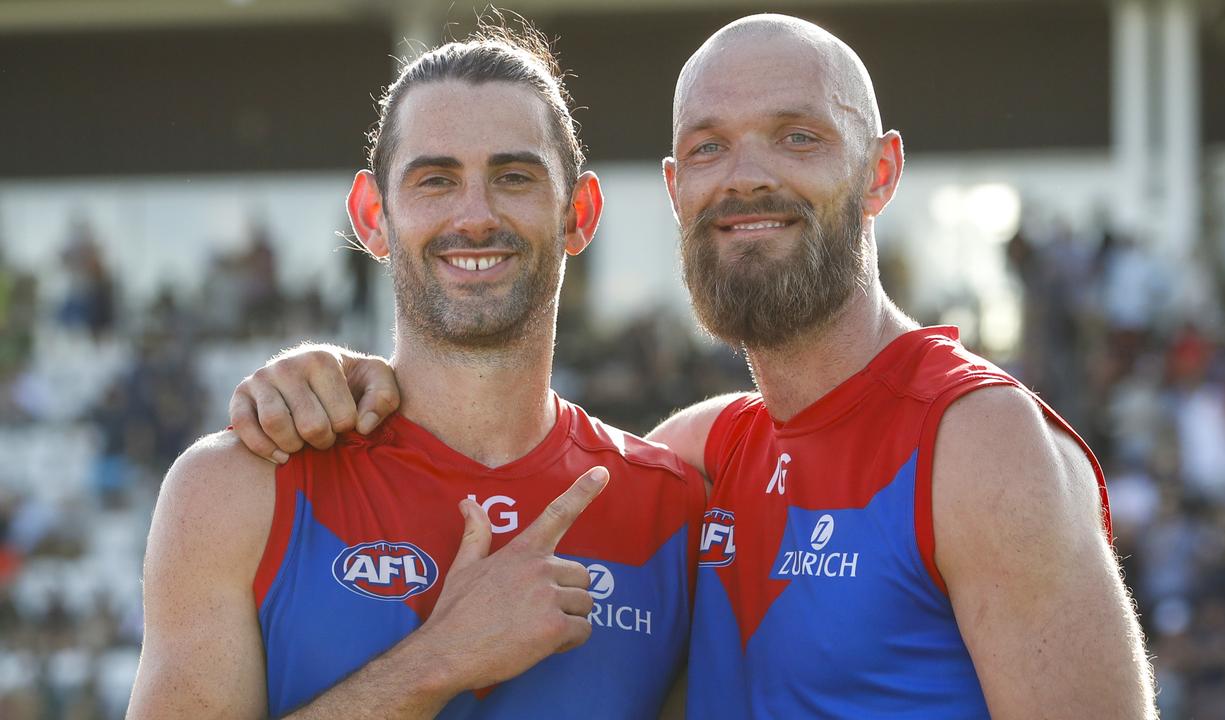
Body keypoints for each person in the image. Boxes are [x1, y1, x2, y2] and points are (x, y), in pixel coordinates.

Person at [231, 14, 1156, 718]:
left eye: (798, 135)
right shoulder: (699, 460)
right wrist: (339, 378)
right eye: (708, 147)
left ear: (879, 173)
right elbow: (495, 433)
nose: (745, 175)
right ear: (677, 190)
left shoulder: (981, 444)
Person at [128, 24, 703, 720]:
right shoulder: (237, 487)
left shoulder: (675, 513)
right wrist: (440, 660)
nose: (475, 215)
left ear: (579, 213)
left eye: (514, 177)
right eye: (436, 179)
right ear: (373, 216)